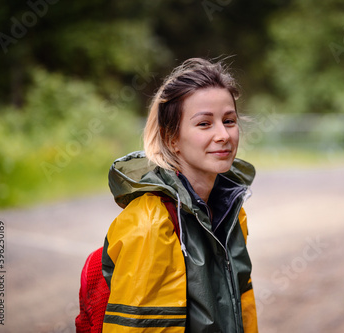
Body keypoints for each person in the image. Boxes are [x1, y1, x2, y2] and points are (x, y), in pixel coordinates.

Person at [101, 58, 258, 332]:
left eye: (229, 120)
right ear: (172, 138)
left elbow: (243, 309)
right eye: (204, 124)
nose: (223, 135)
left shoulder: (232, 211)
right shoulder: (151, 224)